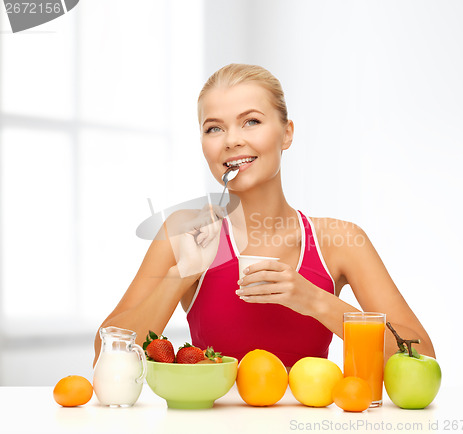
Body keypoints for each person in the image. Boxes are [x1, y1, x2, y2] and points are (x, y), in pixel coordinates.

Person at [93, 63, 435, 368]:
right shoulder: (185, 231)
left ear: (286, 133)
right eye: (214, 128)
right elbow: (106, 355)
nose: (232, 140)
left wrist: (316, 301)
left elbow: (423, 356)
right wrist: (181, 275)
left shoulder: (340, 241)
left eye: (251, 122)